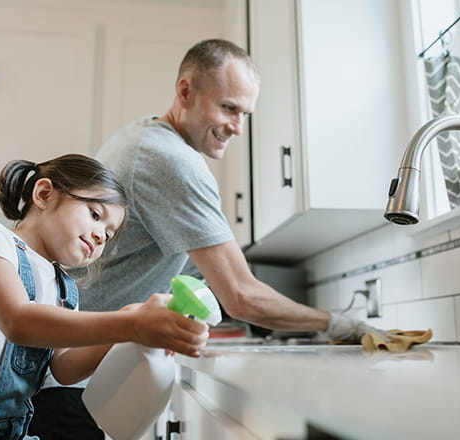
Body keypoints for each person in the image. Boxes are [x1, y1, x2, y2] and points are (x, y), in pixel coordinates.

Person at [29, 39, 385, 438]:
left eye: (245, 113)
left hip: (69, 369)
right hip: (71, 383)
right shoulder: (171, 161)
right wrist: (340, 324)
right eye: (229, 107)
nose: (237, 126)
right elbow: (241, 296)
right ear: (185, 91)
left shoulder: (145, 136)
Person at [0, 154, 209, 440]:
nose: (101, 235)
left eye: (109, 234)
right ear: (44, 194)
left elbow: (62, 368)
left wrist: (126, 323)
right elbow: (19, 321)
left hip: (11, 429)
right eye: (95, 215)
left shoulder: (63, 287)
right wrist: (131, 323)